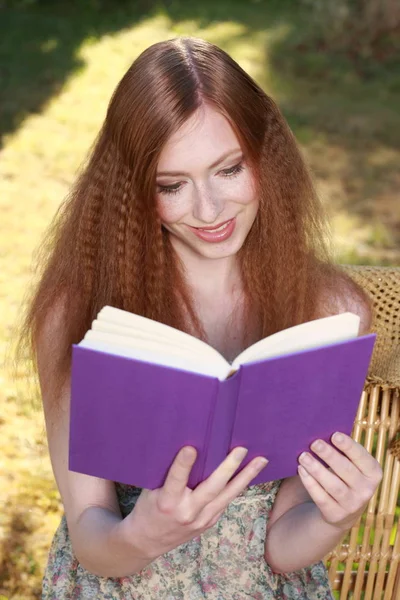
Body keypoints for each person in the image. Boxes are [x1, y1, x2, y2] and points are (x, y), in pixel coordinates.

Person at [17, 37, 383, 599]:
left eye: (230, 170)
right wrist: (143, 534)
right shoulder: (78, 314)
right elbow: (92, 534)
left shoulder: (331, 311)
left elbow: (281, 549)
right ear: (132, 190)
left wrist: (335, 516)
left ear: (267, 155)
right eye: (172, 185)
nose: (209, 211)